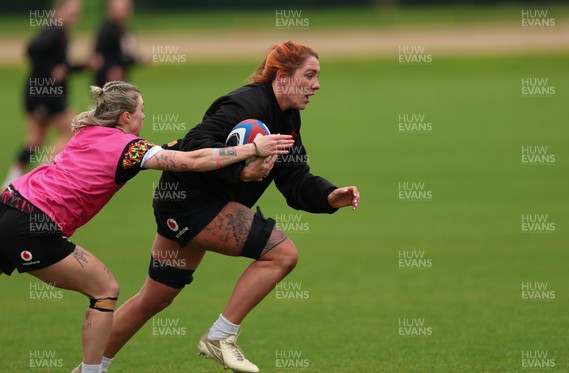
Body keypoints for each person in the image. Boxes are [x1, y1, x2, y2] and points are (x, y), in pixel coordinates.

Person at [100, 41, 360, 373]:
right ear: (282, 76)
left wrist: (329, 196)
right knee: (281, 253)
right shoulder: (245, 102)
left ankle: (91, 367)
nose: (316, 85)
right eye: (309, 75)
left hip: (190, 203)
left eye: (317, 77)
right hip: (189, 202)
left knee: (156, 296)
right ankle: (221, 337)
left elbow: (294, 178)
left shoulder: (287, 118)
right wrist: (241, 169)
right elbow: (196, 145)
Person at [0, 81, 293, 373]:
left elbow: (164, 152)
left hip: (9, 203)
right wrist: (251, 149)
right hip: (33, 223)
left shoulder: (86, 133)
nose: (145, 116)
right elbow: (190, 163)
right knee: (105, 290)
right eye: (142, 110)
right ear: (126, 117)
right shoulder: (129, 149)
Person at [2, 0, 84, 189]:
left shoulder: (61, 33)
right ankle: (44, 173)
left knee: (35, 140)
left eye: (77, 12)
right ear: (59, 10)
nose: (74, 16)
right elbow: (32, 49)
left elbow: (61, 67)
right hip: (44, 96)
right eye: (71, 11)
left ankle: (9, 182)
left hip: (36, 93)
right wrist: (51, 71)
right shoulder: (54, 31)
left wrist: (82, 65)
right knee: (73, 128)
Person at [91, 0, 143, 87]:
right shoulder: (106, 29)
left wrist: (136, 59)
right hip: (108, 84)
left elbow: (125, 55)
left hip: (121, 82)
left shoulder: (123, 28)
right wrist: (111, 70)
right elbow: (97, 59)